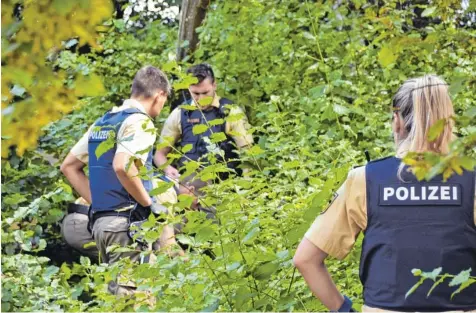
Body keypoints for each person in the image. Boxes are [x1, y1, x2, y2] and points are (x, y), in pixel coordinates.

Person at [293, 75, 476, 312]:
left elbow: (305, 259)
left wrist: (345, 310)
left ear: (397, 122)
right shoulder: (471, 179)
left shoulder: (365, 179)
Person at [61, 65, 177, 294]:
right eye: (165, 100)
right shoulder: (140, 123)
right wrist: (148, 206)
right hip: (127, 227)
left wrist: (103, 206)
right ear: (160, 95)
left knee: (120, 300)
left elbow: (69, 167)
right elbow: (123, 165)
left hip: (103, 227)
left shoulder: (103, 122)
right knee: (137, 303)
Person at [154, 63, 253, 180]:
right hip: (190, 186)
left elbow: (248, 154)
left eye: (205, 93)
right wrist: (168, 169)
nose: (201, 99)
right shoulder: (180, 113)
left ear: (214, 85)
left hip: (226, 186)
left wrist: (247, 188)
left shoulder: (231, 111)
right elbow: (160, 153)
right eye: (195, 93)